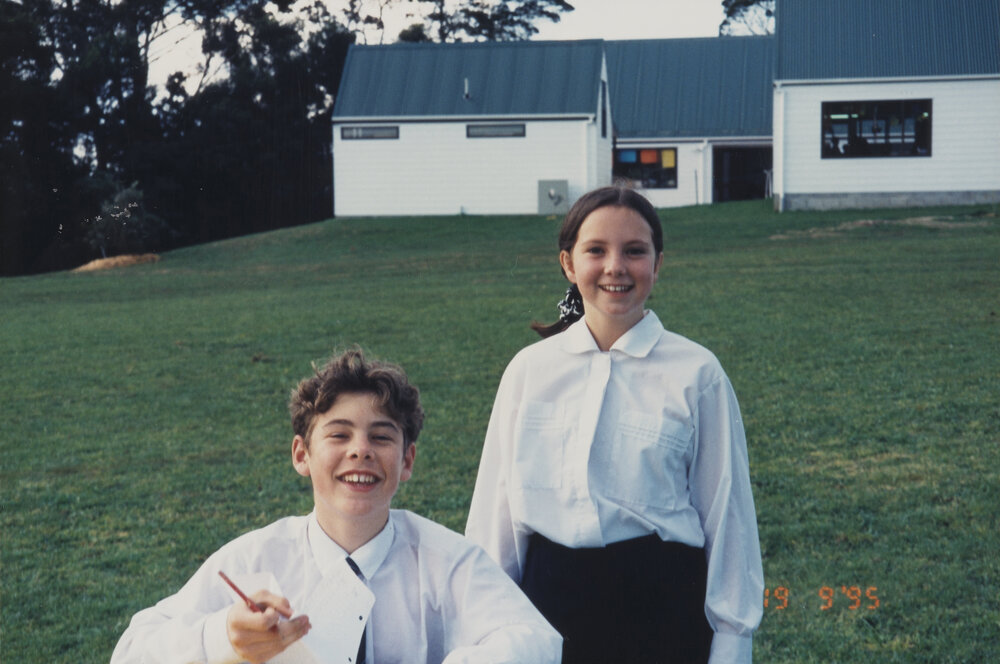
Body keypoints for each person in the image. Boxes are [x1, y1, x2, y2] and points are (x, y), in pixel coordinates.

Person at [465, 186, 764, 664]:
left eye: (635, 251)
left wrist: (731, 643)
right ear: (568, 264)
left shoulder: (697, 375)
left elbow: (728, 516)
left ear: (658, 264)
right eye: (596, 250)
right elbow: (494, 517)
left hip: (663, 616)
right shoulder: (529, 371)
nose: (615, 267)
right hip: (546, 615)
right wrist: (485, 632)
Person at [111, 349, 561, 664]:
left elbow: (536, 640)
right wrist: (222, 636)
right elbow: (131, 651)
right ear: (301, 455)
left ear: (407, 461)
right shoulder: (253, 560)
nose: (360, 450)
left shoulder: (448, 562)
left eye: (381, 436)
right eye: (339, 434)